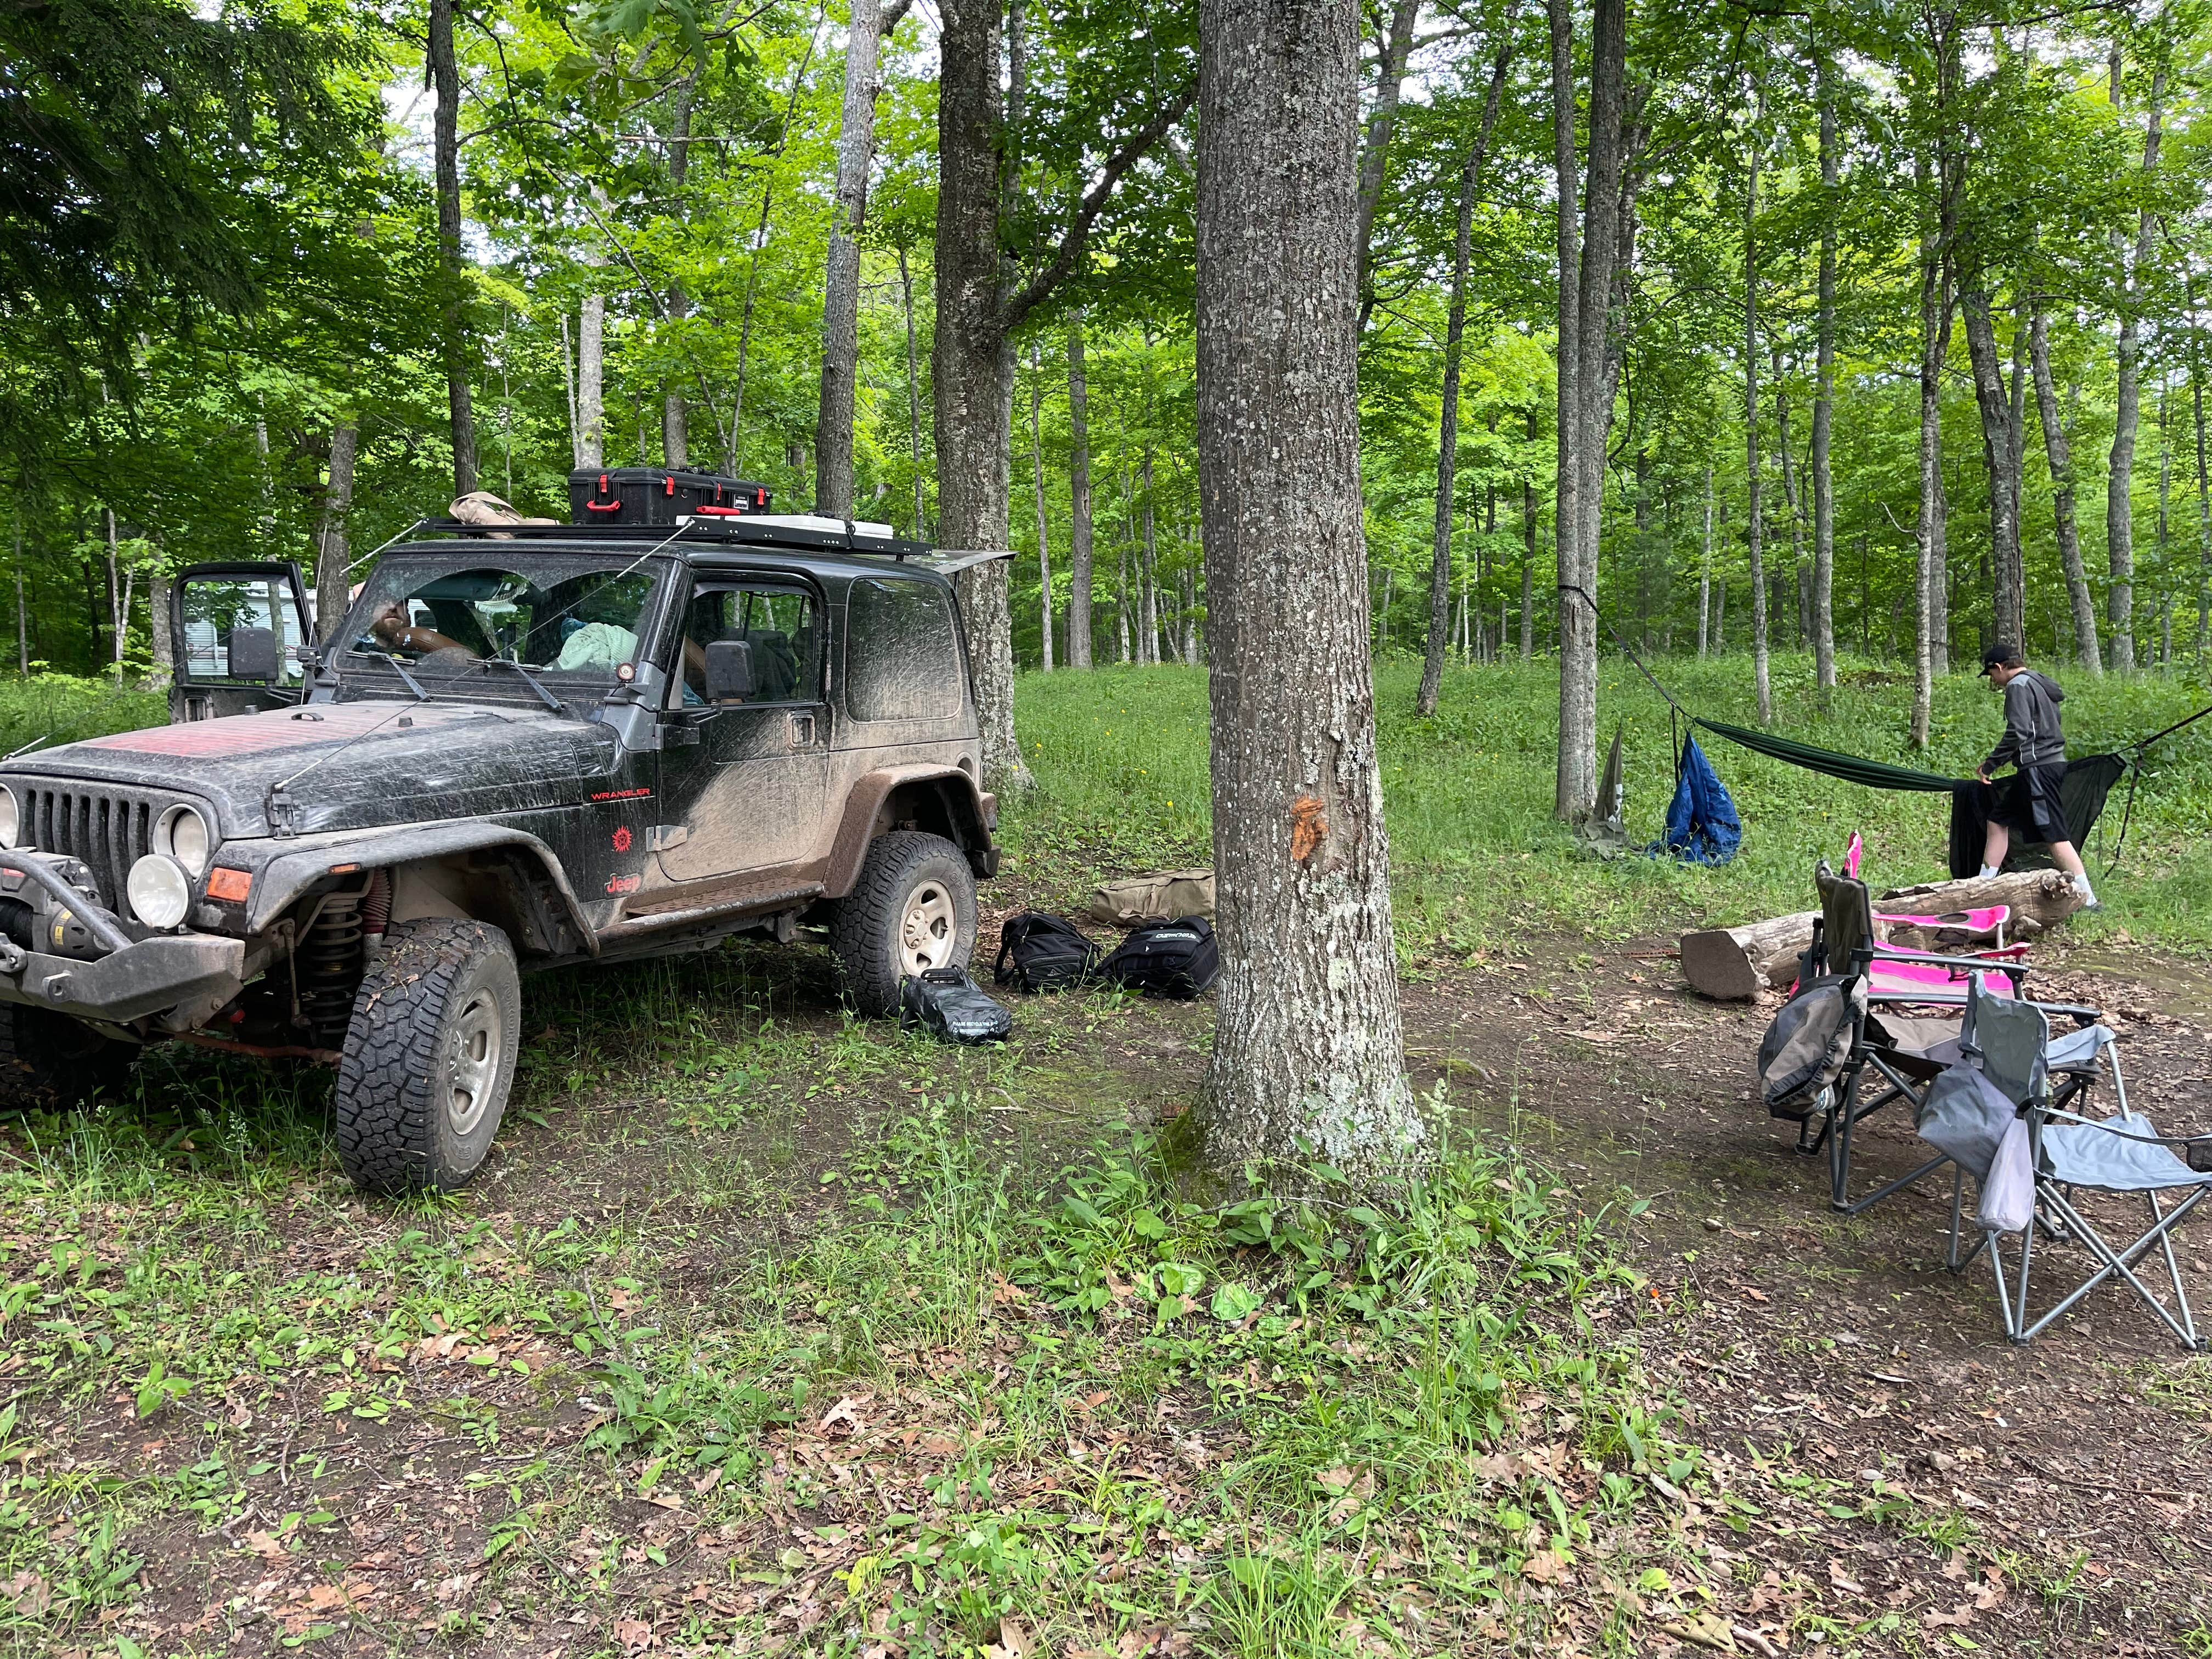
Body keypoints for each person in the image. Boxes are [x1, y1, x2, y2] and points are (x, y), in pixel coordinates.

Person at [1974, 645, 2097, 909]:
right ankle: (1980, 888)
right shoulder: (2040, 683)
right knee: (1997, 821)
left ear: (1999, 668)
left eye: (1990, 675)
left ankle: (2088, 901)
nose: (1993, 681)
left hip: (2038, 768)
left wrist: (1990, 765)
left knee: (2055, 835)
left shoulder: (2018, 686)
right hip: (2040, 766)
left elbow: (2018, 733)